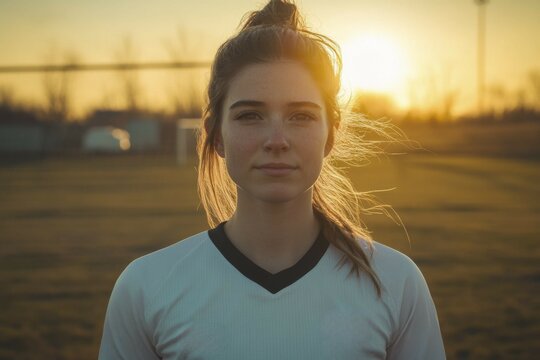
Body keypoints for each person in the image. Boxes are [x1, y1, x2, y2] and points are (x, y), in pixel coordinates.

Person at [98, 1, 446, 359]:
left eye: (301, 116)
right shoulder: (146, 287)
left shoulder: (395, 282)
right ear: (217, 136)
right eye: (250, 115)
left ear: (330, 136)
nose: (277, 140)